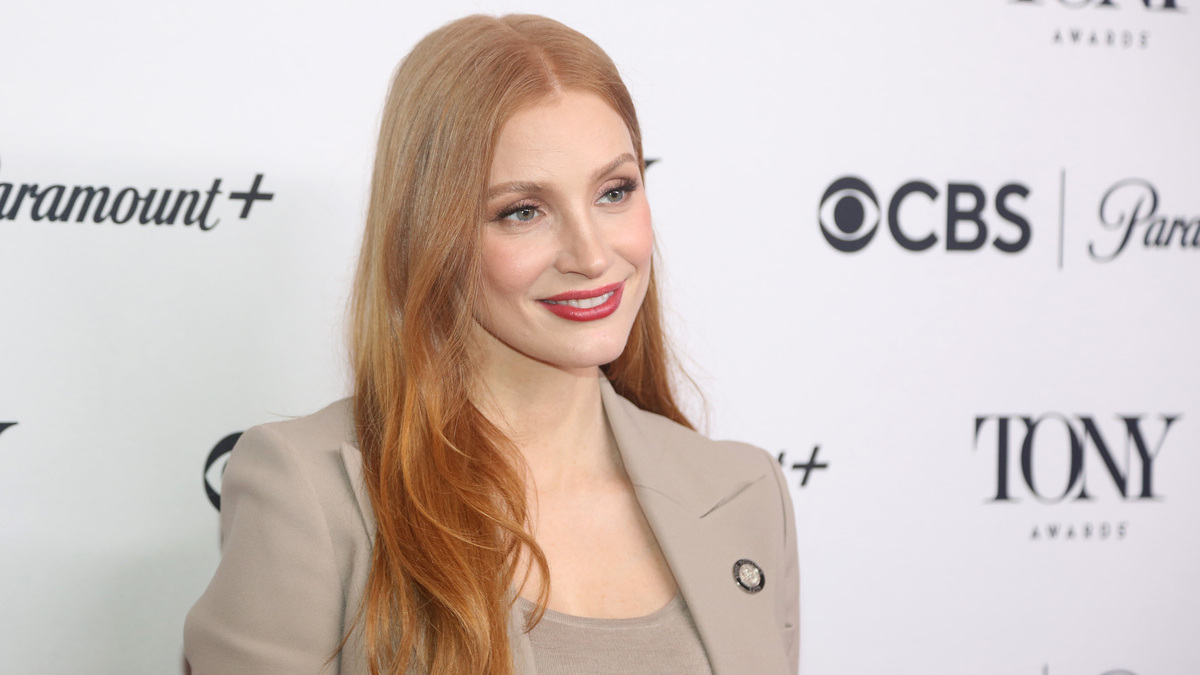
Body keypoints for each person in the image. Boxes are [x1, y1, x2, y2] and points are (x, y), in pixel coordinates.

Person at [184, 13, 798, 675]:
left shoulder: (745, 492)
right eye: (523, 210)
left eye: (614, 191)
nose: (592, 255)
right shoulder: (308, 495)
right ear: (432, 234)